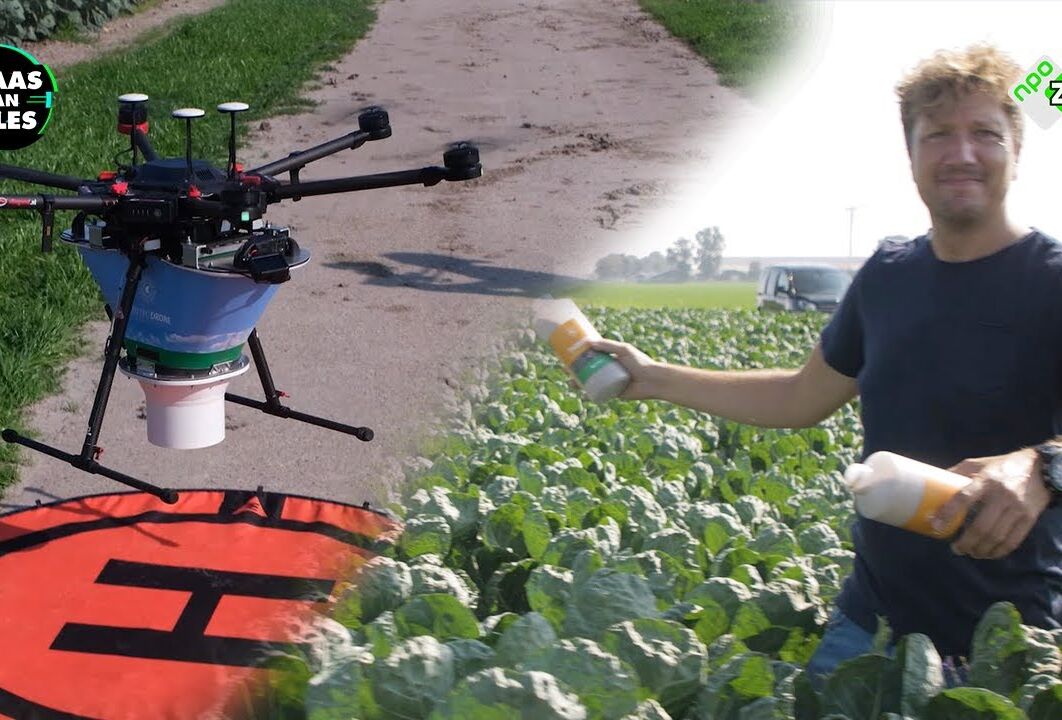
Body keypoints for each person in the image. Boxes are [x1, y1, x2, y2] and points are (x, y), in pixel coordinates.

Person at [590, 43, 1062, 686]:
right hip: (870, 626)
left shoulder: (1051, 279)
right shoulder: (888, 276)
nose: (962, 153)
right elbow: (799, 396)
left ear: (1016, 149)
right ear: (912, 155)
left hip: (1006, 649)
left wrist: (1041, 466)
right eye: (938, 135)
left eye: (985, 132)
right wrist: (653, 376)